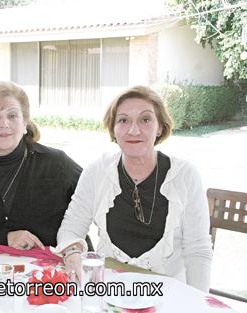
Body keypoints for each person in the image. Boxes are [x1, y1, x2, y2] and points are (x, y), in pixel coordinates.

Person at [55, 86, 212, 291]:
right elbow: (71, 228)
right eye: (123, 120)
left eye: (145, 120)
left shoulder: (185, 175)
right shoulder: (97, 172)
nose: (133, 130)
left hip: (168, 294)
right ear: (113, 129)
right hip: (111, 291)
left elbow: (198, 251)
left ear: (160, 127)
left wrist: (199, 303)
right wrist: (72, 252)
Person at [0, 81, 82, 250]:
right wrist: (5, 238)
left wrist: (73, 247)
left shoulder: (57, 164)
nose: (4, 124)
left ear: (25, 122)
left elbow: (90, 205)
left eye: (12, 116)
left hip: (51, 270)